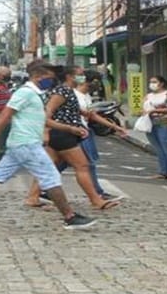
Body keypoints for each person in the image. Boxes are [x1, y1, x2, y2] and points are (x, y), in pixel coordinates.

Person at [0, 62, 97, 229]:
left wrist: (69, 128)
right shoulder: (25, 93)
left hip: (22, 143)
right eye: (49, 77)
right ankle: (70, 217)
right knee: (50, 177)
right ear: (38, 76)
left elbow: (41, 119)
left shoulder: (37, 94)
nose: (52, 80)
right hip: (26, 144)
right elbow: (6, 115)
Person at [24, 65, 120, 210]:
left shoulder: (67, 91)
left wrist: (114, 126)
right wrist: (46, 132)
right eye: (80, 75)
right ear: (70, 76)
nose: (83, 78)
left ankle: (33, 196)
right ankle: (96, 199)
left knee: (48, 166)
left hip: (60, 134)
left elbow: (79, 111)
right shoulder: (62, 91)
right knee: (82, 166)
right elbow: (47, 112)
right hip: (63, 134)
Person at [75, 71, 126, 201]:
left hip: (84, 131)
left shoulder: (86, 96)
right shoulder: (74, 95)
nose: (99, 86)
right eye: (97, 82)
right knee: (87, 164)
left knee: (68, 163)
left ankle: (42, 188)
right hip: (77, 132)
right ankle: (97, 193)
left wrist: (115, 127)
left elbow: (92, 115)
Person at [143, 76, 167, 180]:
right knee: (158, 149)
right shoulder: (149, 96)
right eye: (150, 82)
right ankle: (163, 171)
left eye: (154, 82)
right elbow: (144, 108)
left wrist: (156, 111)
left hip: (164, 122)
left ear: (162, 83)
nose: (152, 84)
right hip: (150, 122)